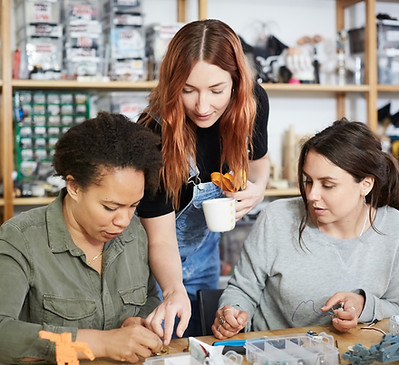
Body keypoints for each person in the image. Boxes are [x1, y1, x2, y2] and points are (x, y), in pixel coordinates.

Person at [137, 19, 270, 338]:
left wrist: (258, 189)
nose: (202, 106)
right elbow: (161, 238)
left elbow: (260, 162)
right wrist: (172, 290)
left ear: (236, 82)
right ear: (172, 84)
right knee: (160, 344)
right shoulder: (153, 132)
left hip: (206, 251)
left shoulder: (252, 103)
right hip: (152, 260)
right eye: (188, 90)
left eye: (216, 90)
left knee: (200, 341)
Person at [0, 112, 165, 363]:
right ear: (74, 187)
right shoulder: (20, 239)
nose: (123, 220)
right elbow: (3, 333)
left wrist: (139, 320)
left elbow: (150, 296)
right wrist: (101, 342)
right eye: (110, 207)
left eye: (134, 205)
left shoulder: (134, 234)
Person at [212, 118, 399, 339]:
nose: (311, 195)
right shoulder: (277, 218)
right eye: (308, 181)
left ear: (366, 184)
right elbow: (242, 290)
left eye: (328, 185)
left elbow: (396, 307)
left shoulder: (393, 228)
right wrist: (232, 312)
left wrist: (363, 305)